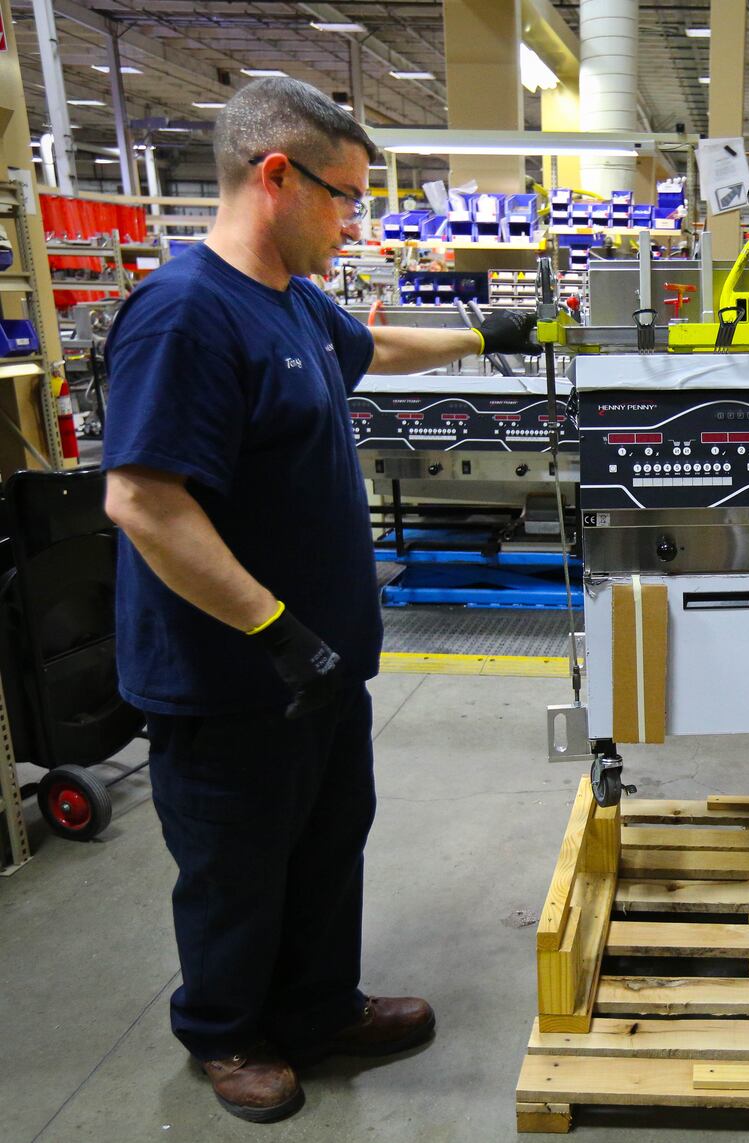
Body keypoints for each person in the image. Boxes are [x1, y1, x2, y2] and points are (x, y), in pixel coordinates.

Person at [101, 78, 539, 1122]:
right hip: (235, 673)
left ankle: (316, 1007)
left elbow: (372, 347)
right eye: (344, 198)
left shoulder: (288, 298)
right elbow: (143, 501)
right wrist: (272, 630)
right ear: (275, 177)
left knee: (327, 838)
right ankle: (225, 1032)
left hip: (321, 663)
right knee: (237, 864)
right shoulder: (184, 316)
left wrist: (499, 341)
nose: (355, 222)